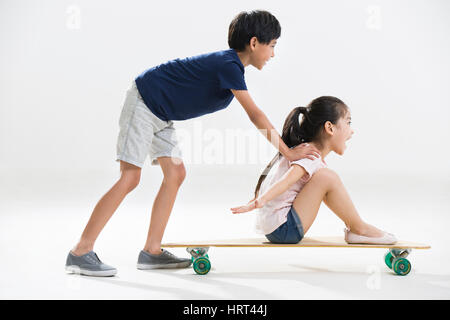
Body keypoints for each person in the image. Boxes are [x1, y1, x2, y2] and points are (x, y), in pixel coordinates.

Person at [65, 10, 321, 277]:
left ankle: (151, 252)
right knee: (130, 178)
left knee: (175, 174)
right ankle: (80, 252)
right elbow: (254, 114)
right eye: (272, 45)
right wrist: (288, 152)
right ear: (254, 43)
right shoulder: (229, 65)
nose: (273, 54)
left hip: (160, 114)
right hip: (143, 103)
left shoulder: (231, 68)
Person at [230, 96, 397, 245]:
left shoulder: (303, 151)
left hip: (276, 228)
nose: (351, 130)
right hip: (284, 230)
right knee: (327, 177)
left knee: (324, 178)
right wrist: (258, 202)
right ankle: (358, 228)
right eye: (348, 122)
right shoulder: (310, 156)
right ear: (330, 128)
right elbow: (285, 182)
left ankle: (355, 227)